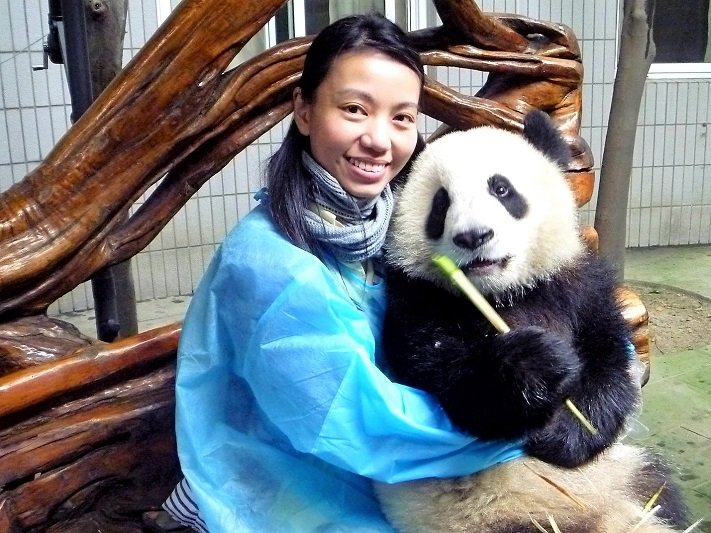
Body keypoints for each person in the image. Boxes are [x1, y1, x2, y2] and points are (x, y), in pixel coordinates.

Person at [161, 13, 524, 532]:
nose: (380, 140)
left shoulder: (389, 225)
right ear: (304, 111)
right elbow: (362, 424)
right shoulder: (272, 268)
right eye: (355, 109)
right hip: (297, 488)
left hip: (397, 475)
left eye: (402, 118)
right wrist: (517, 417)